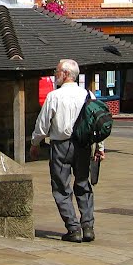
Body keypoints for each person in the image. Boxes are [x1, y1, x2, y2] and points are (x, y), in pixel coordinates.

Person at [28, 58, 97, 243]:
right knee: (83, 184)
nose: (55, 74)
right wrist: (100, 147)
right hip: (83, 145)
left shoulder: (54, 96)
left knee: (61, 187)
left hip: (61, 146)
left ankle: (73, 229)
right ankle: (88, 227)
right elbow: (97, 122)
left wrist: (35, 143)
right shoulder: (88, 95)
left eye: (57, 71)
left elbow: (42, 124)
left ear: (66, 74)